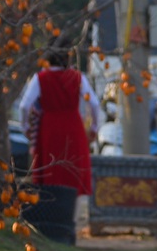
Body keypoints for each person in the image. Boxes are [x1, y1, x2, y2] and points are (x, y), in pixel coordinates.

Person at [17, 47, 99, 197]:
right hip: (74, 128)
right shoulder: (77, 77)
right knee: (73, 172)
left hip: (49, 129)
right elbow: (94, 103)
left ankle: (52, 209)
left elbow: (24, 106)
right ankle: (72, 212)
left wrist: (25, 127)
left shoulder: (41, 78)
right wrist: (94, 127)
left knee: (50, 172)